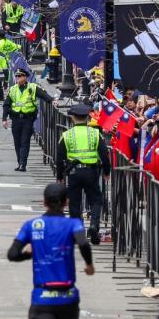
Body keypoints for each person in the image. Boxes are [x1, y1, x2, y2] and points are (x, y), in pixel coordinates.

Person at [8, 183, 96, 319]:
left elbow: (12, 254)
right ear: (66, 202)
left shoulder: (32, 225)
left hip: (42, 298)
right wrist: (89, 265)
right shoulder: (73, 224)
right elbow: (83, 243)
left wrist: (29, 254)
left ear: (44, 202)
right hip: (68, 297)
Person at [56, 103, 112, 245]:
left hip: (74, 173)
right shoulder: (95, 133)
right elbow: (105, 155)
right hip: (91, 172)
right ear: (87, 118)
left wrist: (60, 176)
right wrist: (106, 172)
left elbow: (59, 157)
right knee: (95, 200)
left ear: (73, 118)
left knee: (74, 203)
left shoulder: (66, 135)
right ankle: (94, 226)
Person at [7, 69, 53, 172]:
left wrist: (52, 100)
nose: (18, 78)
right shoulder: (13, 89)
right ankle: (20, 162)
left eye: (20, 76)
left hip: (28, 119)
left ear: (25, 77)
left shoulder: (33, 87)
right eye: (17, 76)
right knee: (17, 142)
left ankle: (23, 164)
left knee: (25, 141)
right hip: (16, 119)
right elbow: (7, 104)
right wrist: (4, 119)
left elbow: (43, 95)